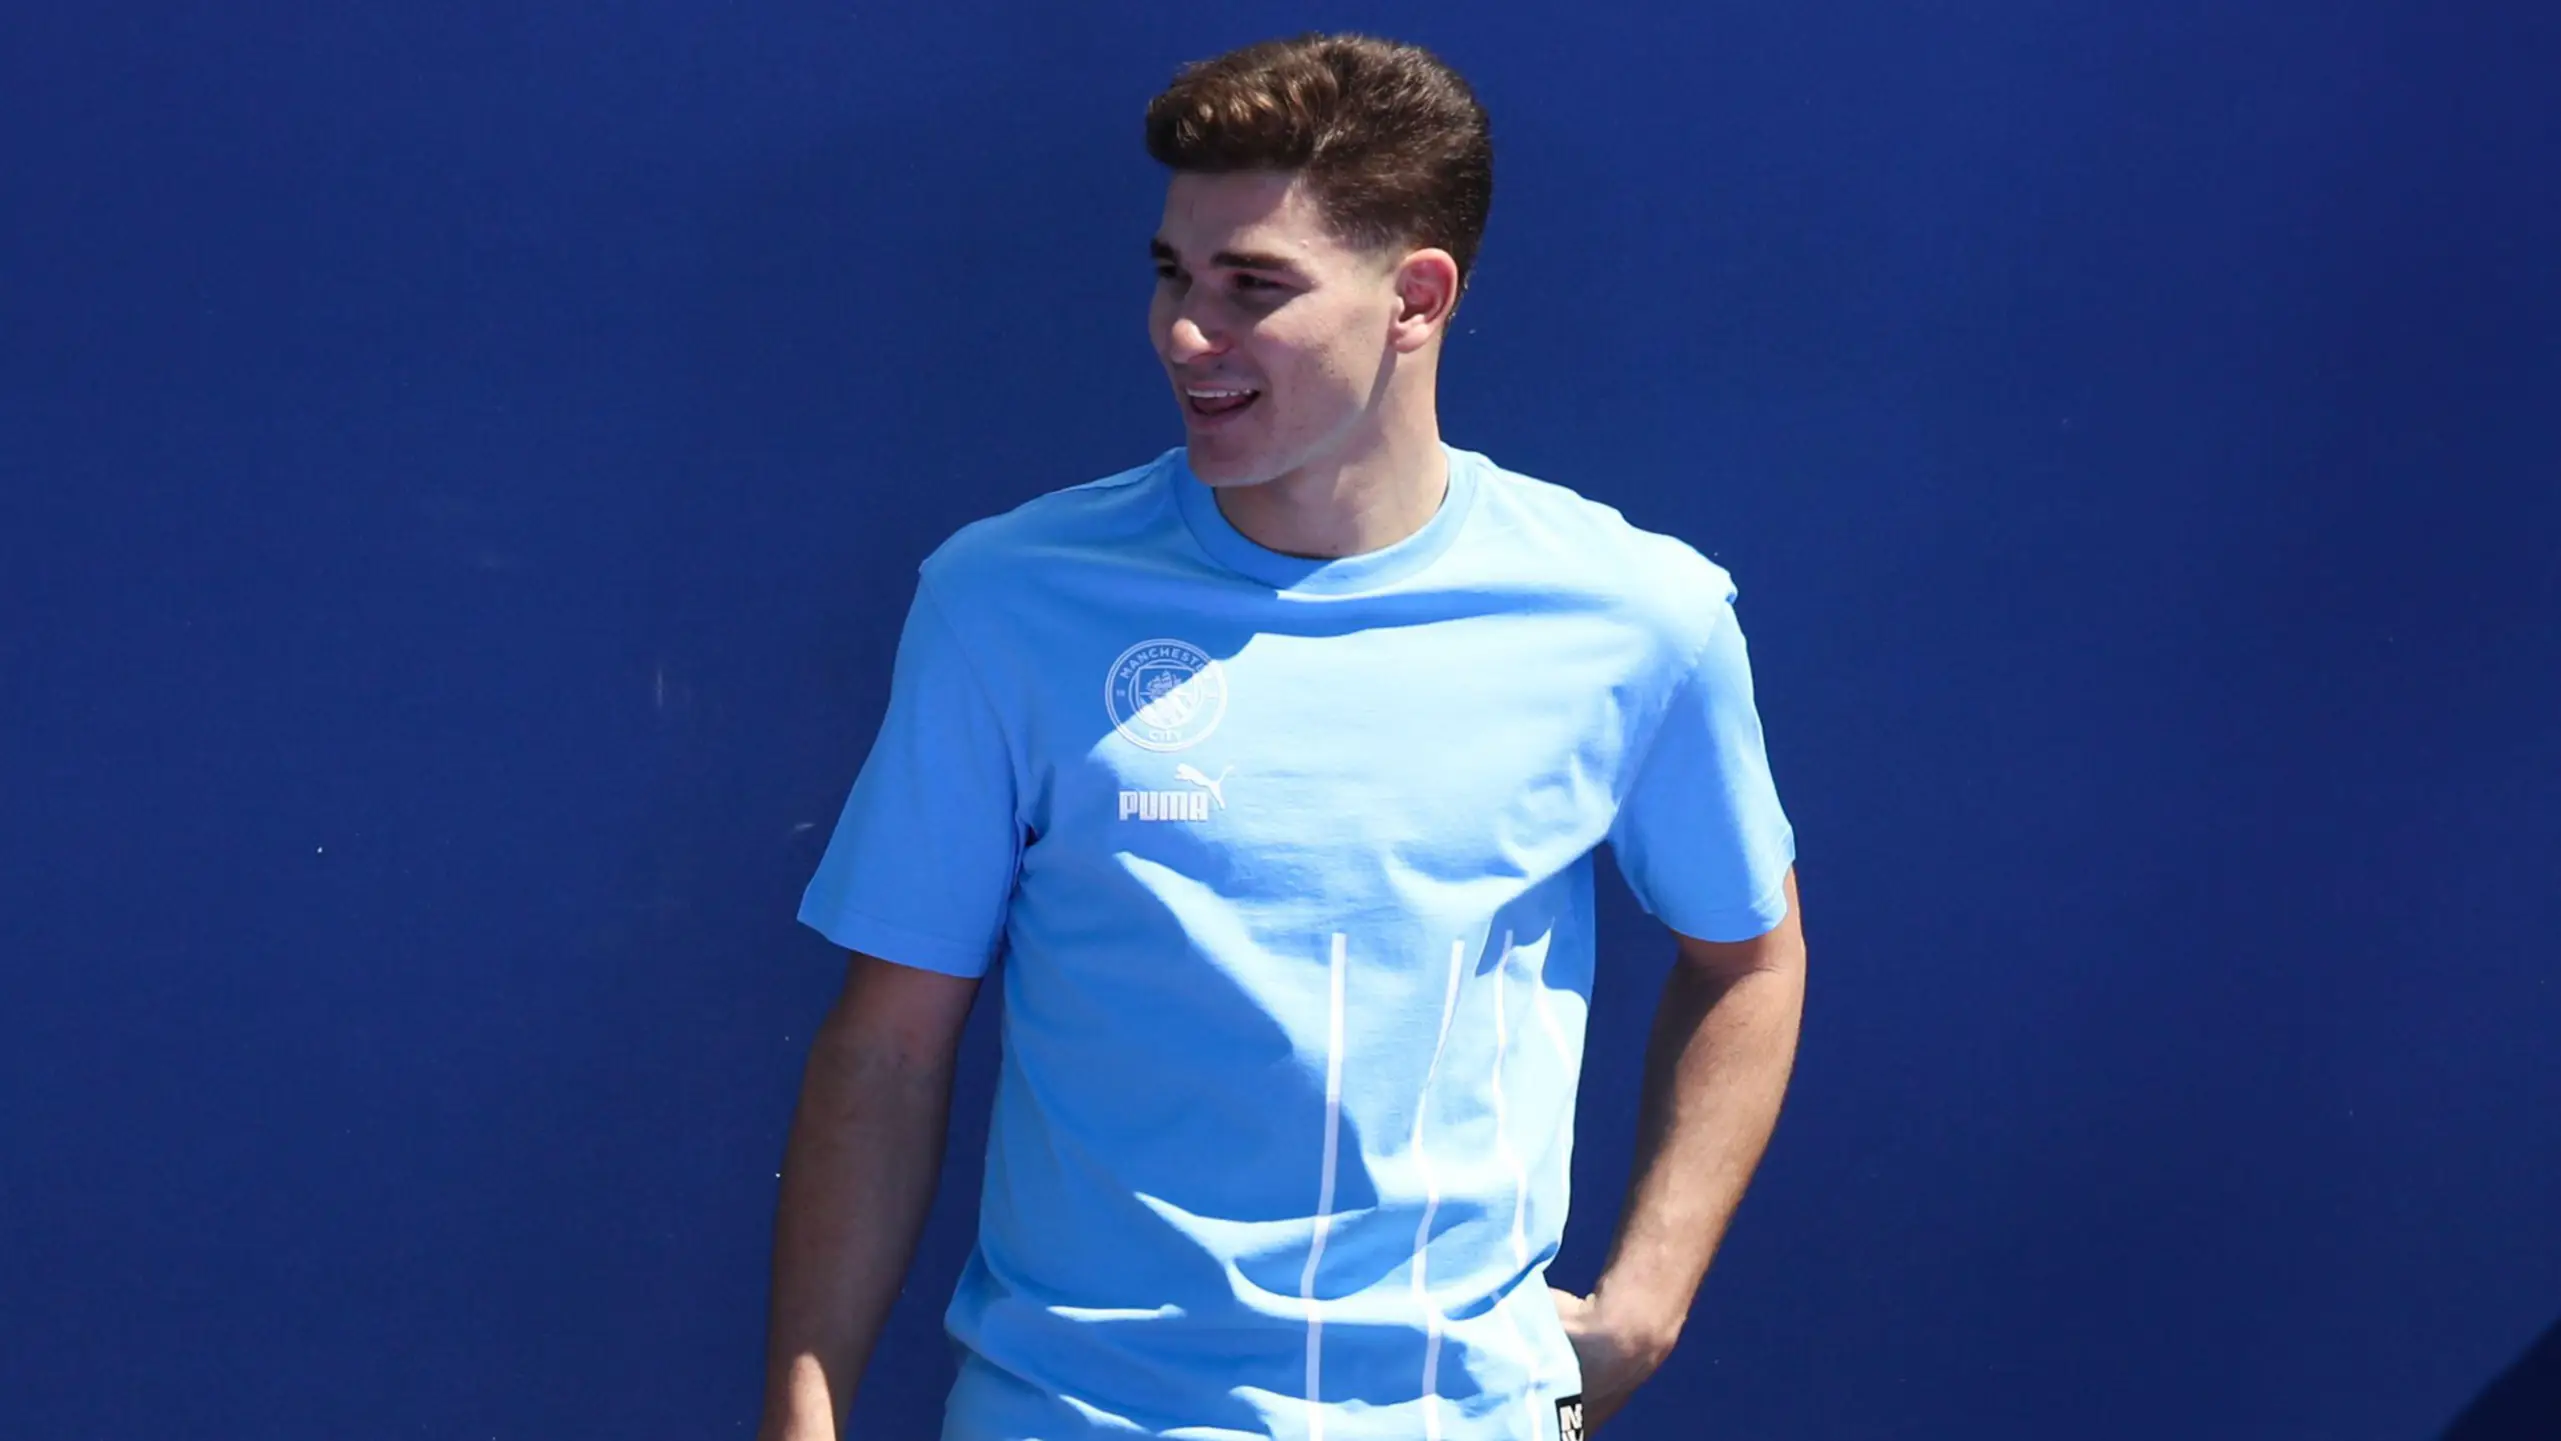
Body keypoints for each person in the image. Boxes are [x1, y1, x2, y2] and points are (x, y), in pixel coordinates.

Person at [759, 31, 1806, 1441]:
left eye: (1254, 287)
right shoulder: (1005, 601)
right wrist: (805, 1411)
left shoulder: (1639, 616)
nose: (1187, 332)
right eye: (1173, 274)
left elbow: (1749, 954)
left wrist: (1645, 1303)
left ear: (1415, 298)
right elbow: (886, 1047)